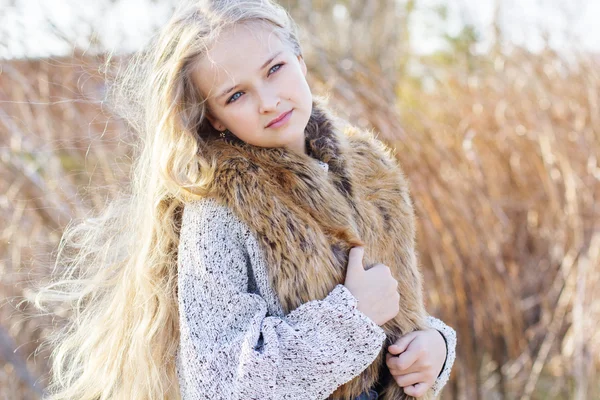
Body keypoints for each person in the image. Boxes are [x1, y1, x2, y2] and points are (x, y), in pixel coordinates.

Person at [32, 1, 456, 399]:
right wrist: (349, 320)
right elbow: (218, 384)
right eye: (237, 95)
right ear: (215, 117)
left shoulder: (372, 172)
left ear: (300, 62)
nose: (268, 102)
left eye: (274, 69)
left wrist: (435, 348)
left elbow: (403, 316)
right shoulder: (220, 208)